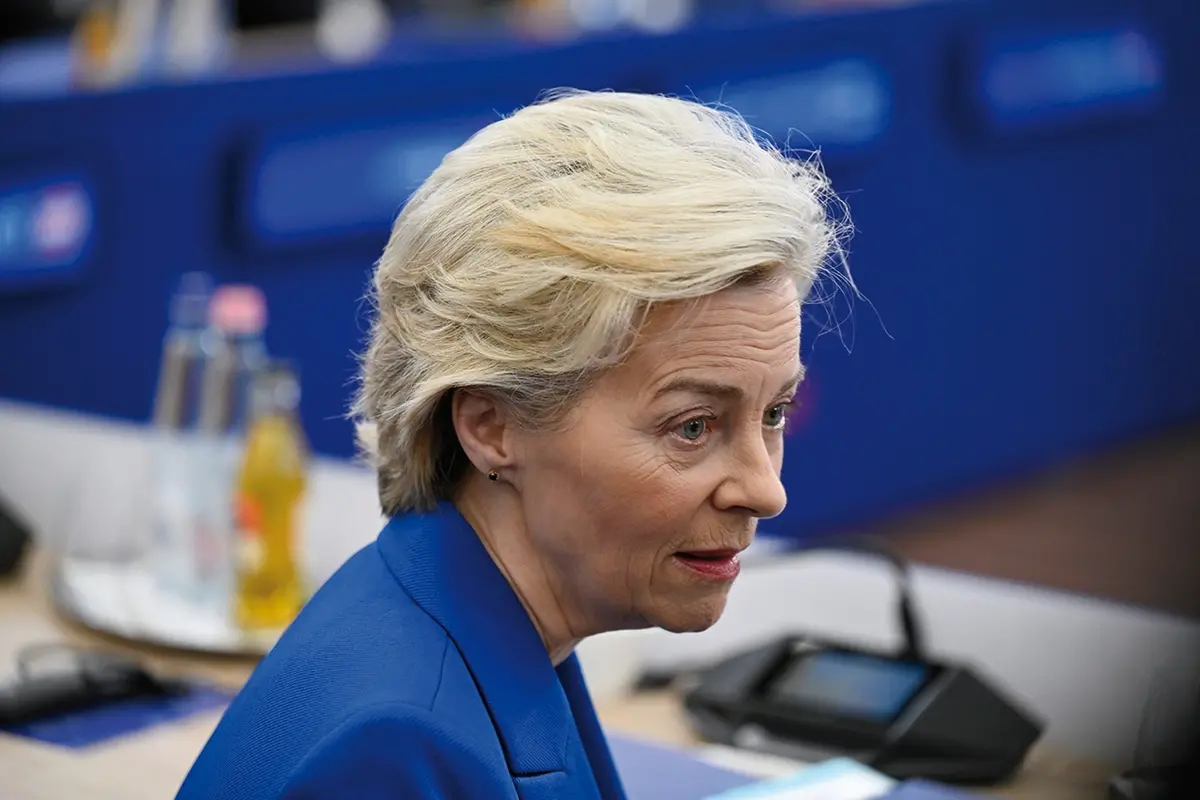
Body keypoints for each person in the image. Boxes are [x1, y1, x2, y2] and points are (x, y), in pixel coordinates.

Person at [177, 88, 844, 799]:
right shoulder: (395, 750)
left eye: (774, 414)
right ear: (492, 427)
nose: (766, 491)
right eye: (692, 427)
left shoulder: (487, 630)